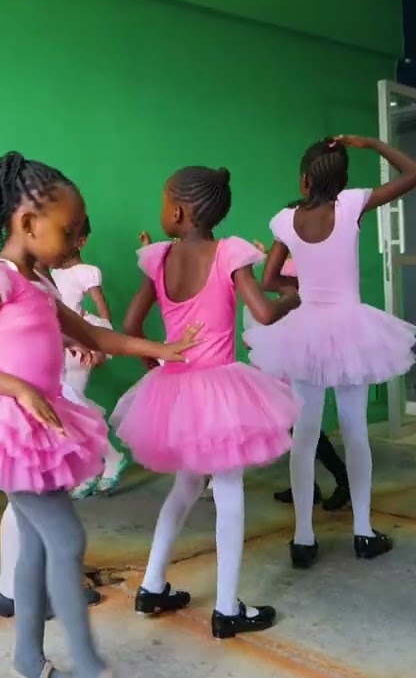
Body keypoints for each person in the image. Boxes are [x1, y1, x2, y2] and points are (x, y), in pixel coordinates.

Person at [0, 151, 198, 678]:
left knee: (35, 548)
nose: (74, 243)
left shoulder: (41, 282)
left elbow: (90, 333)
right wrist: (19, 389)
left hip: (42, 421)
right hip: (9, 429)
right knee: (66, 541)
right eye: (68, 232)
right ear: (27, 223)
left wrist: (160, 349)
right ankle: (89, 664)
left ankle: (28, 659)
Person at [113, 166, 301, 640]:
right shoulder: (229, 253)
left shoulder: (158, 259)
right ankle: (226, 608)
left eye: (163, 202)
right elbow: (263, 312)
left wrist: (156, 370)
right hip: (221, 391)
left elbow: (132, 329)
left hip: (175, 387)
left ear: (178, 212)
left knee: (185, 487)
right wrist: (293, 297)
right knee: (229, 491)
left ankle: (152, 586)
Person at [245, 135, 416, 570]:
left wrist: (304, 288)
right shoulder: (351, 205)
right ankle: (363, 531)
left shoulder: (286, 220)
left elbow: (269, 280)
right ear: (343, 181)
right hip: (350, 329)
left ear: (304, 181)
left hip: (305, 329)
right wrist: (372, 144)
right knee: (356, 431)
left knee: (304, 436)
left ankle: (303, 539)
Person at [243, 244, 351, 511]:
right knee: (295, 426)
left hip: (295, 358)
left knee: (301, 425)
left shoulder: (296, 270)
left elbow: (287, 309)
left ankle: (342, 479)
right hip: (285, 356)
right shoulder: (295, 269)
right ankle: (308, 485)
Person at [50, 218, 132, 499]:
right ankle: (91, 468)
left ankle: (111, 458)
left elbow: (102, 310)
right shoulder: (50, 273)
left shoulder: (85, 272)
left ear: (81, 241)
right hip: (56, 347)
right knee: (68, 410)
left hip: (78, 348)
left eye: (66, 236)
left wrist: (100, 346)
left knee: (74, 406)